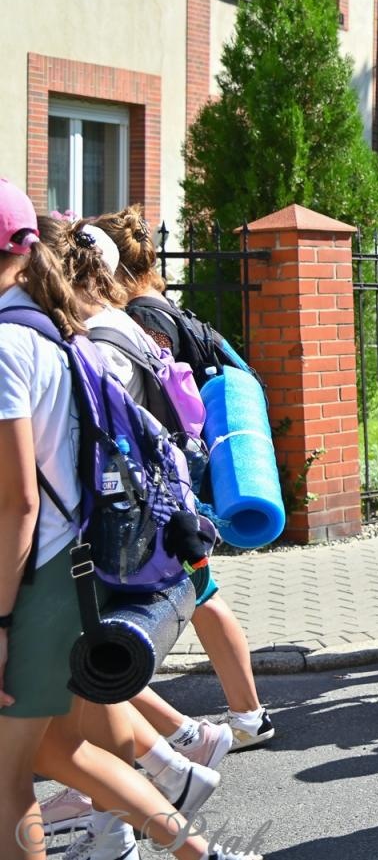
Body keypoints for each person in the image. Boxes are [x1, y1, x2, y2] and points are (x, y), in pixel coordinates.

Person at [0, 180, 259, 860]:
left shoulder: (9, 343)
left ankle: (183, 816)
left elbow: (19, 500)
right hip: (76, 567)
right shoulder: (57, 332)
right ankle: (195, 844)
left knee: (6, 779)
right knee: (61, 743)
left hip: (36, 582)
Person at [92, 206, 276, 752]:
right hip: (177, 472)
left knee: (196, 590)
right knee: (198, 590)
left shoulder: (144, 316)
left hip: (163, 479)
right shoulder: (161, 305)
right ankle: (244, 717)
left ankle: (232, 722)